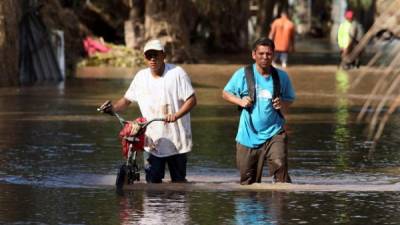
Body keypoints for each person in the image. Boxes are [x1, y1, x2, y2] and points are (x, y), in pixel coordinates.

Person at [99, 39, 197, 183]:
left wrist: (175, 116)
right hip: (152, 140)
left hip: (177, 140)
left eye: (155, 55)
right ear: (145, 58)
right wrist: (112, 109)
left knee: (179, 183)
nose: (152, 59)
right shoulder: (141, 77)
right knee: (152, 183)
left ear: (163, 55)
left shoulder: (177, 74)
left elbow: (192, 100)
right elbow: (126, 100)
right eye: (148, 56)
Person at [222, 37, 295, 185]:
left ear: (273, 55)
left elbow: (290, 99)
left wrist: (282, 104)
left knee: (280, 170)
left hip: (275, 132)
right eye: (261, 53)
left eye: (268, 54)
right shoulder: (242, 74)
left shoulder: (282, 76)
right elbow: (225, 93)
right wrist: (240, 101)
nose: (265, 57)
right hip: (247, 135)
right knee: (248, 182)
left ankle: (280, 205)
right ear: (253, 55)